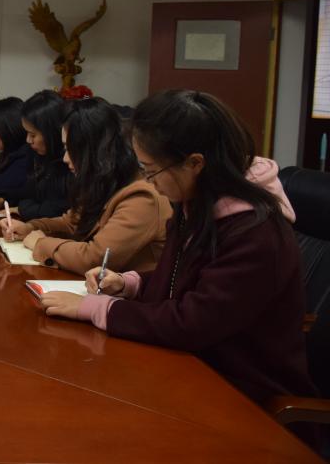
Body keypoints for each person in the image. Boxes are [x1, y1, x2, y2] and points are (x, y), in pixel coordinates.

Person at [38, 90, 315, 412]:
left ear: (194, 163)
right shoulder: (195, 203)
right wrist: (129, 284)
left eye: (151, 170)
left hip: (243, 395)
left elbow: (192, 322)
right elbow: (184, 278)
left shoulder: (255, 233)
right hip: (188, 368)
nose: (150, 182)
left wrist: (95, 308)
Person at [1, 98, 171, 274]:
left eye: (70, 149)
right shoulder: (102, 182)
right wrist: (30, 228)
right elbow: (72, 223)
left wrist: (40, 243)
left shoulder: (142, 197)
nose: (65, 158)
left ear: (94, 150)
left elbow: (95, 258)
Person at [0, 90, 69, 220]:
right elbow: (27, 192)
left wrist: (20, 209)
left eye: (33, 135)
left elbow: (56, 209)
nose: (28, 140)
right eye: (27, 133)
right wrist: (3, 200)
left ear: (52, 133)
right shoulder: (38, 155)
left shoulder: (69, 163)